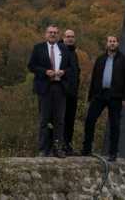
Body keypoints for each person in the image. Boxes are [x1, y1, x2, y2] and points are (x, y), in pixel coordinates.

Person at [81, 35, 125, 162]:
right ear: (107, 43)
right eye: (110, 41)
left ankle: (113, 153)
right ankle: (86, 149)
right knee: (90, 120)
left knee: (114, 124)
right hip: (100, 94)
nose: (112, 43)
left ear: (117, 43)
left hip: (116, 96)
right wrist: (90, 96)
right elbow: (94, 78)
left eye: (114, 41)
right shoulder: (100, 59)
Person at [27, 24, 77, 158]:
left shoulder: (64, 49)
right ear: (46, 34)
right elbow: (31, 66)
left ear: (58, 35)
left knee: (59, 120)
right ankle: (43, 149)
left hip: (60, 87)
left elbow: (72, 69)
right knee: (44, 120)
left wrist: (63, 72)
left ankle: (58, 149)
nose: (53, 34)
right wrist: (45, 71)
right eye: (50, 32)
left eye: (55, 32)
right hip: (45, 88)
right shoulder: (38, 48)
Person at [62, 29, 81, 156]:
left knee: (70, 121)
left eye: (72, 36)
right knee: (60, 120)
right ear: (63, 38)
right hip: (62, 93)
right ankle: (58, 146)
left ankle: (67, 146)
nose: (70, 38)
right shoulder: (59, 51)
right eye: (68, 36)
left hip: (73, 93)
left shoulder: (74, 53)